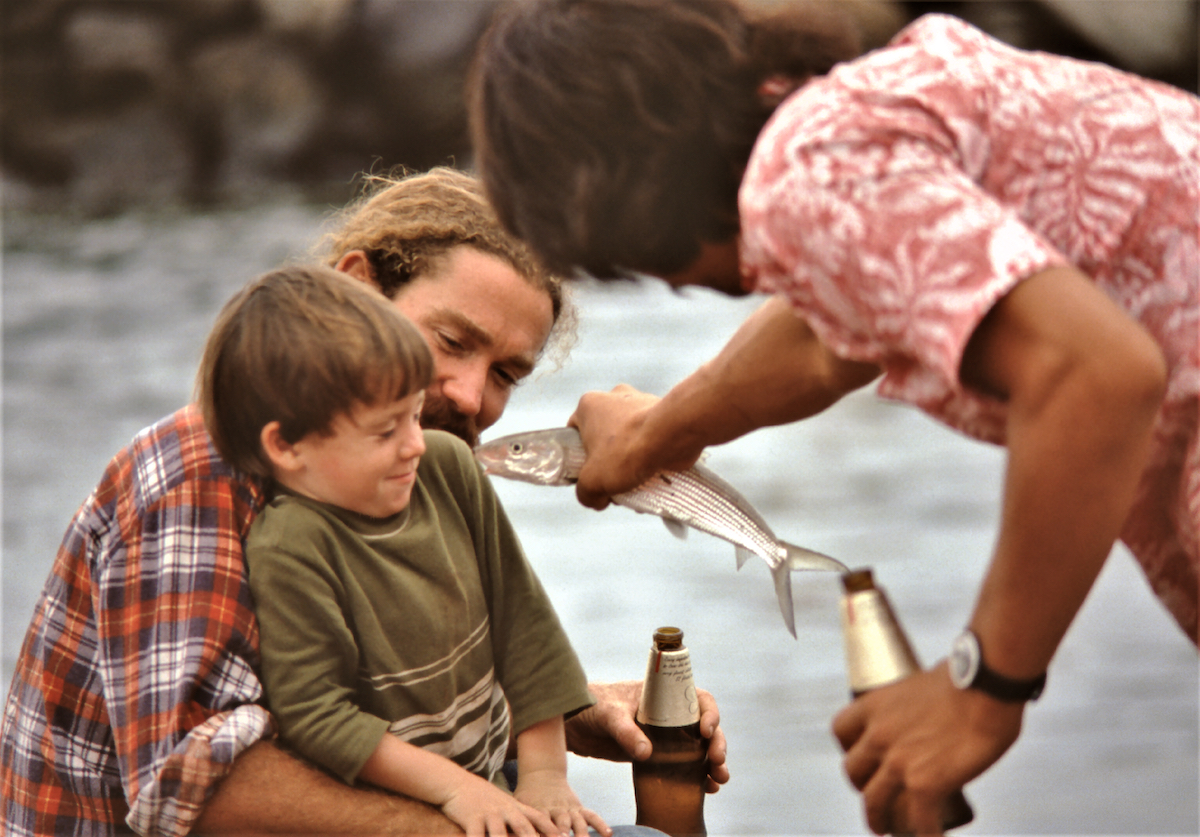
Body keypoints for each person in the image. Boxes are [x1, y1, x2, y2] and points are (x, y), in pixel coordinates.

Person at [467, 2, 1198, 834]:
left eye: (635, 260)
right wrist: (658, 432)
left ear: (622, 191)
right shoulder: (868, 113)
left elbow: (1098, 372)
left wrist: (982, 687)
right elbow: (827, 342)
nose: (668, 285)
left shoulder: (803, 174)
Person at [1, 167, 728, 837]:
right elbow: (192, 783)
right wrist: (479, 821)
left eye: (506, 372)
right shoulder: (202, 470)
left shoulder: (411, 467)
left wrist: (576, 712)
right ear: (360, 287)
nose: (472, 396)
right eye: (451, 340)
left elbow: (387, 699)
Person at [199, 265, 609, 837]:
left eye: (415, 414)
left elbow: (525, 623)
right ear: (287, 446)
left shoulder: (448, 467)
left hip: (492, 784)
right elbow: (318, 716)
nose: (417, 443)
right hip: (403, 811)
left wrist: (545, 774)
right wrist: (454, 789)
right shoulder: (290, 545)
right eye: (386, 430)